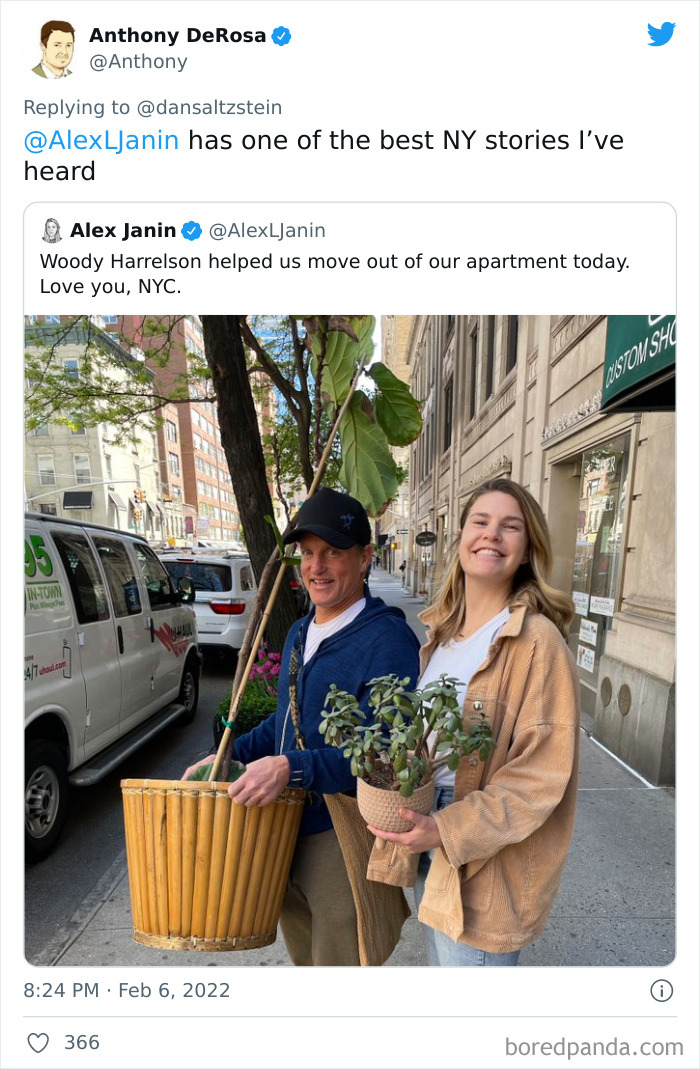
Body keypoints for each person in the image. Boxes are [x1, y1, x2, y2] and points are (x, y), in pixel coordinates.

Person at [184, 487, 420, 966]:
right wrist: (234, 753)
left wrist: (291, 768)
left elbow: (386, 754)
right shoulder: (299, 630)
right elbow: (287, 721)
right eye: (308, 553)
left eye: (333, 551)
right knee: (305, 964)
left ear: (365, 558)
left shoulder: (388, 640)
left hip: (339, 830)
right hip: (282, 828)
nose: (317, 566)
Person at [367, 478, 580, 967]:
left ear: (527, 551)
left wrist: (444, 827)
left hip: (477, 846)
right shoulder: (443, 633)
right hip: (429, 828)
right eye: (480, 523)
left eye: (510, 527)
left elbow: (541, 776)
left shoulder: (536, 642)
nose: (492, 535)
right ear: (461, 537)